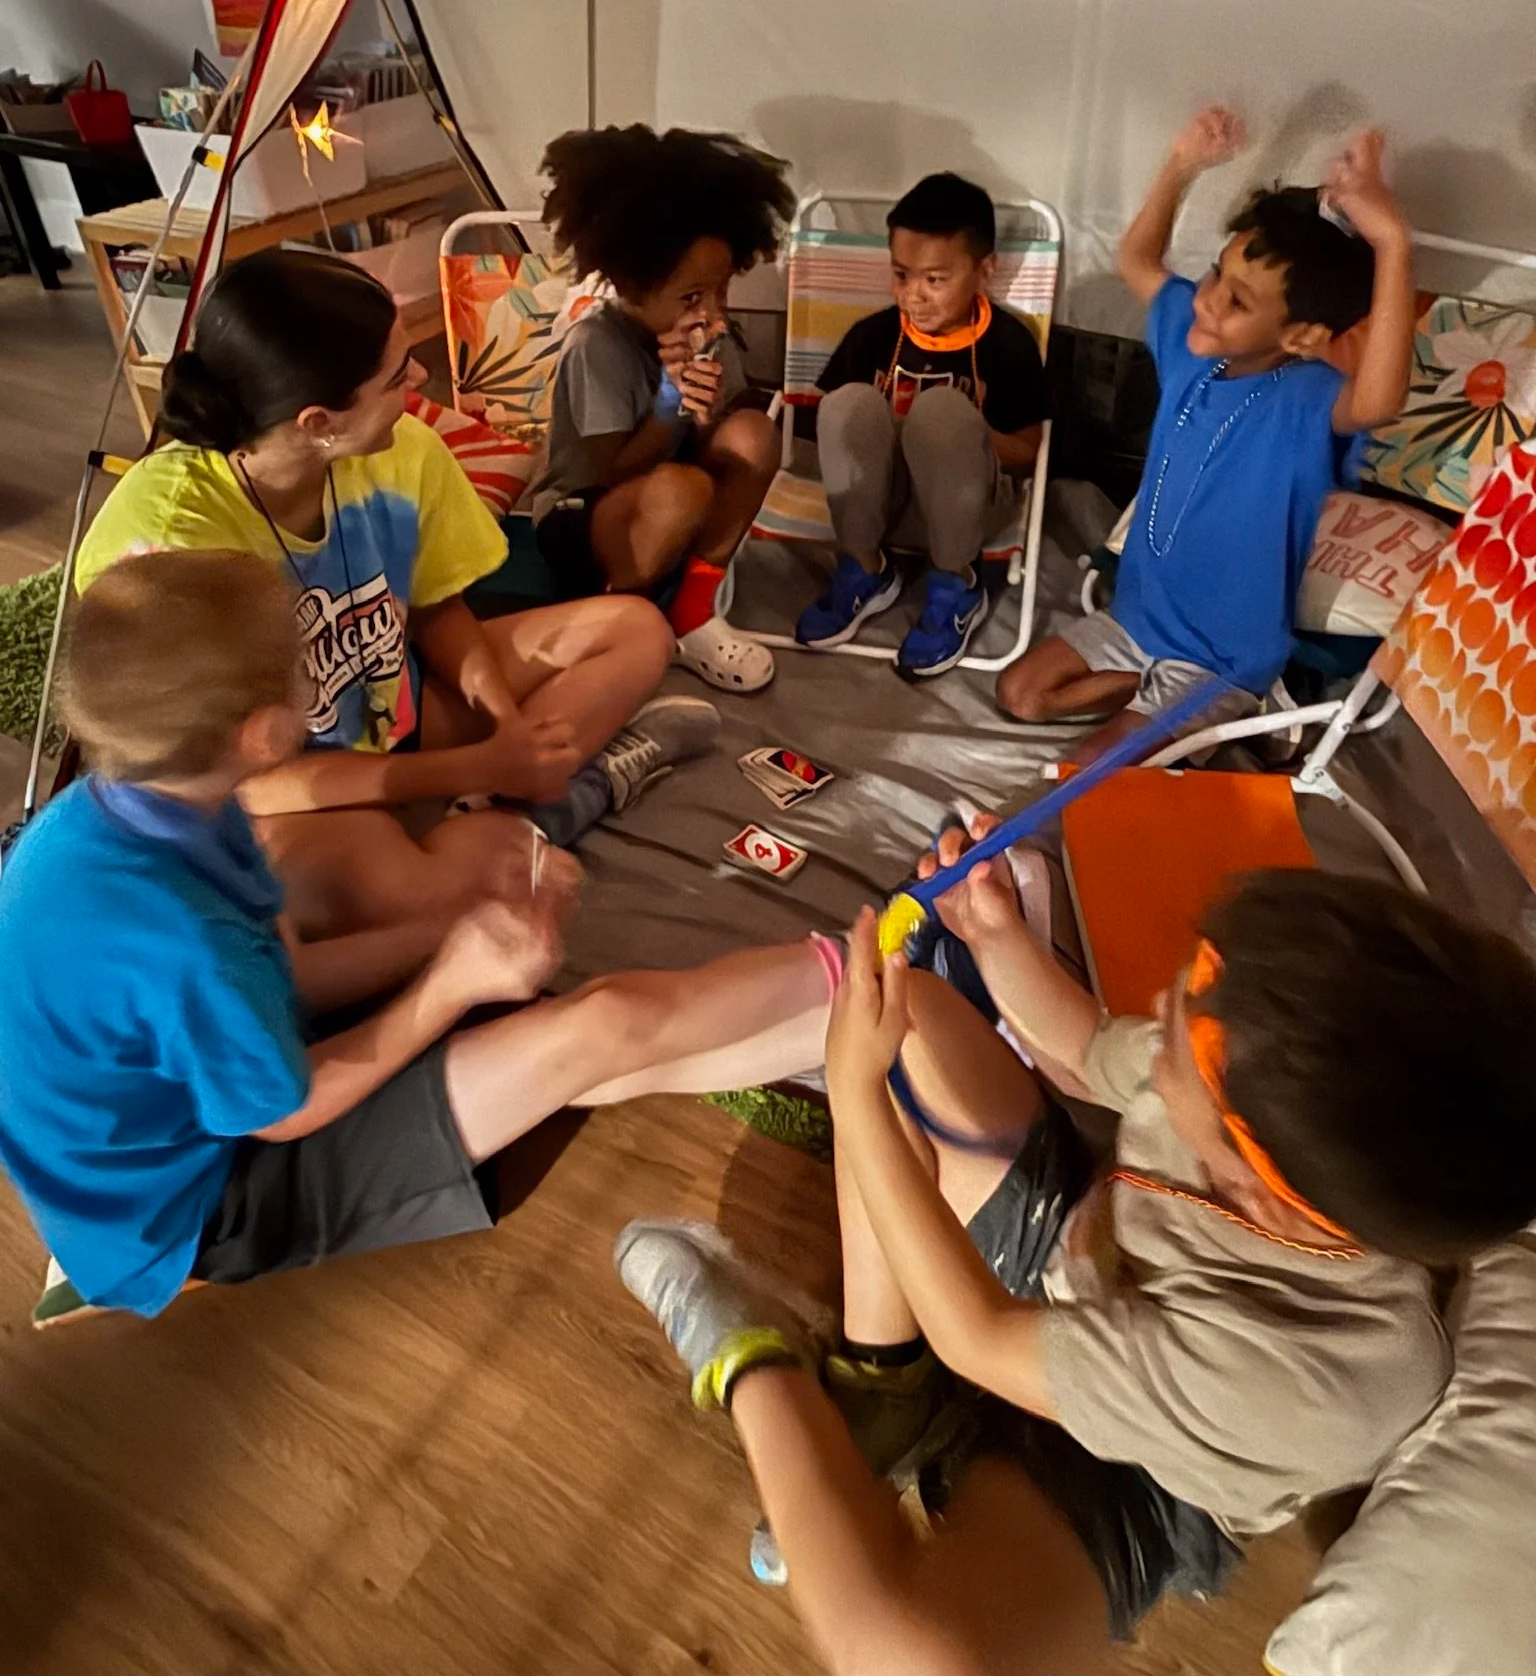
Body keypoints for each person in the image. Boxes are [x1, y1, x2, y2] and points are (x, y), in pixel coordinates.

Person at [607, 834, 1536, 1673]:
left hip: (1148, 1481)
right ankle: (881, 1381)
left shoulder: (1320, 1385)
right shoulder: (1273, 1101)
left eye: (1179, 1032)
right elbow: (1087, 1048)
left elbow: (979, 1335)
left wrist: (853, 1093)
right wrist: (995, 937)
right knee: (909, 1012)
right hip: (1075, 1261)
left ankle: (750, 1357)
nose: (1162, 1005)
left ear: (1254, 1188)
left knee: (904, 1660)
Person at [76, 249, 718, 942]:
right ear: (318, 422)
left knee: (636, 631)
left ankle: (495, 818)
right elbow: (231, 780)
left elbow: (438, 606)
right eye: (395, 374)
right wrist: (467, 767)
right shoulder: (170, 545)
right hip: (287, 790)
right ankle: (547, 807)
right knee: (366, 898)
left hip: (395, 712)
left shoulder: (402, 448)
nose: (420, 378)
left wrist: (507, 728)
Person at [997, 113, 1416, 759]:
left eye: (1239, 301)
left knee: (1087, 771)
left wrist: (1391, 242)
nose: (1208, 301)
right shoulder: (1195, 352)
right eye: (1217, 274)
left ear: (1301, 336)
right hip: (1137, 617)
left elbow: (1381, 398)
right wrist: (1182, 164)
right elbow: (1138, 259)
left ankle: (1220, 701)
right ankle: (1151, 699)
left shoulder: (1305, 400)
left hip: (1222, 655)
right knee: (1020, 695)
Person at [529, 125, 794, 693]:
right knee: (682, 489)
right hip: (582, 514)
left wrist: (705, 415)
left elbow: (719, 443)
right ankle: (619, 627)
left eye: (722, 290)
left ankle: (692, 611)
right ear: (632, 284)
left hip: (666, 500)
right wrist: (670, 405)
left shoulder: (710, 335)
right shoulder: (596, 345)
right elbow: (607, 472)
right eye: (693, 297)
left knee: (754, 434)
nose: (713, 312)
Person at [796, 173, 1049, 677]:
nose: (913, 295)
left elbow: (1027, 450)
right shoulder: (873, 335)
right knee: (848, 403)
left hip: (966, 508)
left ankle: (957, 583)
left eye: (935, 280)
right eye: (901, 274)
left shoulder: (1007, 345)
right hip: (879, 507)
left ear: (984, 270)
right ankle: (866, 568)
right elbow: (834, 433)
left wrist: (958, 435)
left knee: (940, 413)